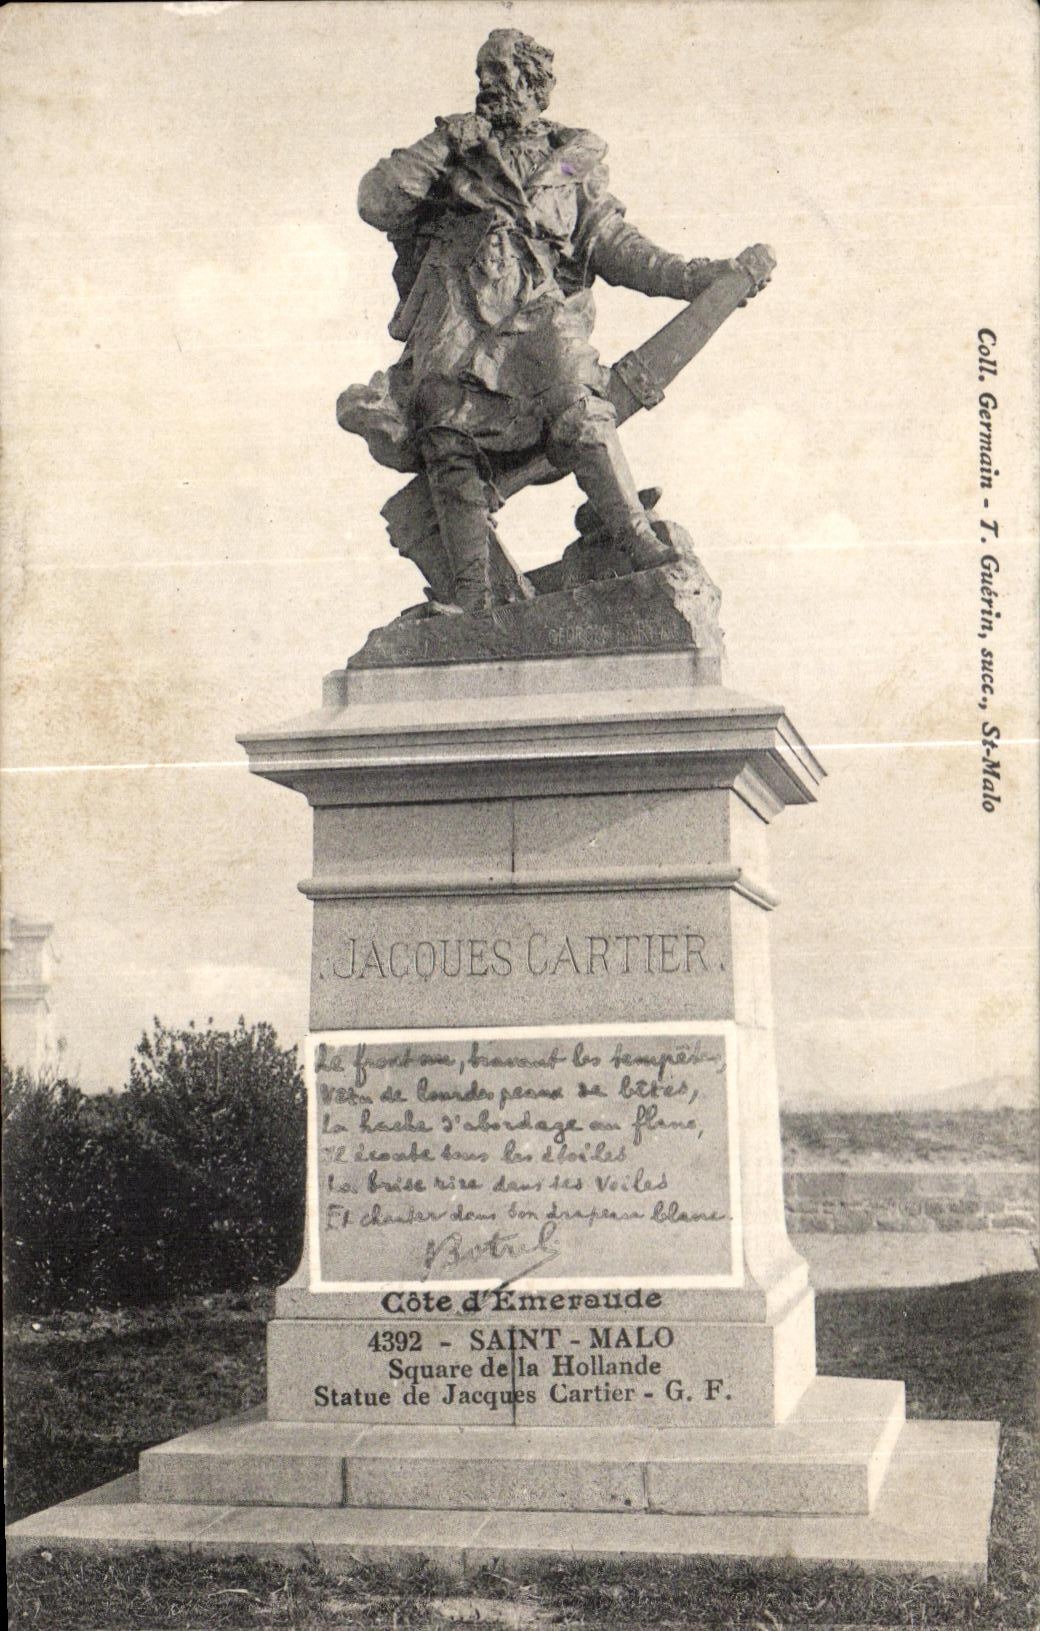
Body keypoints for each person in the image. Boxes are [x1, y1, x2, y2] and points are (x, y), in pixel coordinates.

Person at [341, 27, 753, 613]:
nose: (486, 85)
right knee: (445, 430)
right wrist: (444, 142)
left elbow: (614, 245)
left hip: (535, 311)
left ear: (534, 87)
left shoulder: (571, 163)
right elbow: (376, 201)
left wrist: (692, 277)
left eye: (499, 74)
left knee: (578, 399)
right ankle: (471, 599)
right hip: (456, 316)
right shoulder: (452, 154)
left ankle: (635, 539)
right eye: (481, 74)